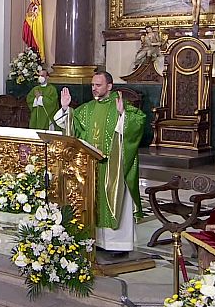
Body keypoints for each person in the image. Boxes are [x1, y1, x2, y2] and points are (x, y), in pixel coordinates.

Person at [54, 72, 146, 256]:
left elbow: (138, 122)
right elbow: (73, 128)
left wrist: (123, 115)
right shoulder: (87, 109)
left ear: (109, 86)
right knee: (93, 201)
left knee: (114, 200)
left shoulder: (121, 105)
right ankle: (97, 240)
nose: (94, 88)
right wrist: (66, 109)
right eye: (92, 85)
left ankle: (118, 244)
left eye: (98, 85)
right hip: (91, 166)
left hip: (113, 167)